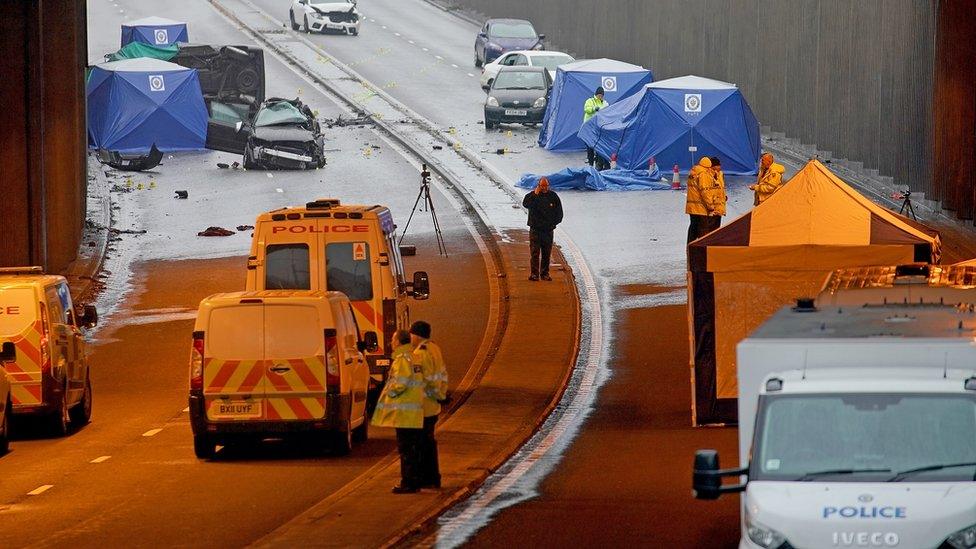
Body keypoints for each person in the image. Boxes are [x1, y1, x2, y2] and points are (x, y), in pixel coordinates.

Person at [371, 329, 425, 493]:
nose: (391, 343)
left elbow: (401, 383)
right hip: (414, 410)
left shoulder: (402, 359)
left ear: (400, 342)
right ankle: (414, 480)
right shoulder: (415, 357)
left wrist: (389, 392)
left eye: (393, 340)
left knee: (406, 448)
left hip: (404, 410)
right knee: (413, 448)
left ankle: (408, 483)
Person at [410, 320, 448, 489]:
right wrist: (442, 395)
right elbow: (442, 374)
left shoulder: (421, 354)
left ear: (416, 335)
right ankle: (432, 478)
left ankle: (426, 478)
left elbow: (423, 381)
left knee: (421, 445)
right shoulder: (435, 348)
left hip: (423, 407)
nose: (410, 338)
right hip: (433, 406)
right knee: (428, 443)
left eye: (411, 334)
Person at [521, 177, 563, 281]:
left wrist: (553, 223)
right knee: (535, 253)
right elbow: (525, 204)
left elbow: (559, 213)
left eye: (546, 186)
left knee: (546, 253)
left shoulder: (553, 196)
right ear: (538, 186)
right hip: (536, 229)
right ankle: (534, 274)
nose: (544, 188)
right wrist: (535, 194)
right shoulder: (532, 196)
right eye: (542, 186)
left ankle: (545, 273)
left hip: (548, 230)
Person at [686, 157, 716, 243]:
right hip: (701, 207)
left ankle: (690, 247)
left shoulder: (694, 172)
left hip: (692, 207)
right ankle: (702, 248)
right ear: (709, 166)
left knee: (693, 228)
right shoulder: (704, 174)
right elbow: (705, 191)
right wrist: (710, 206)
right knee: (703, 229)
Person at [583, 86, 608, 167]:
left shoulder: (605, 103)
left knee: (598, 146)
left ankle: (598, 163)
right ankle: (590, 163)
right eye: (599, 95)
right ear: (596, 94)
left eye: (602, 95)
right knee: (590, 145)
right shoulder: (590, 101)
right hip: (589, 127)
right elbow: (586, 109)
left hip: (599, 127)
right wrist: (594, 109)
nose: (600, 96)